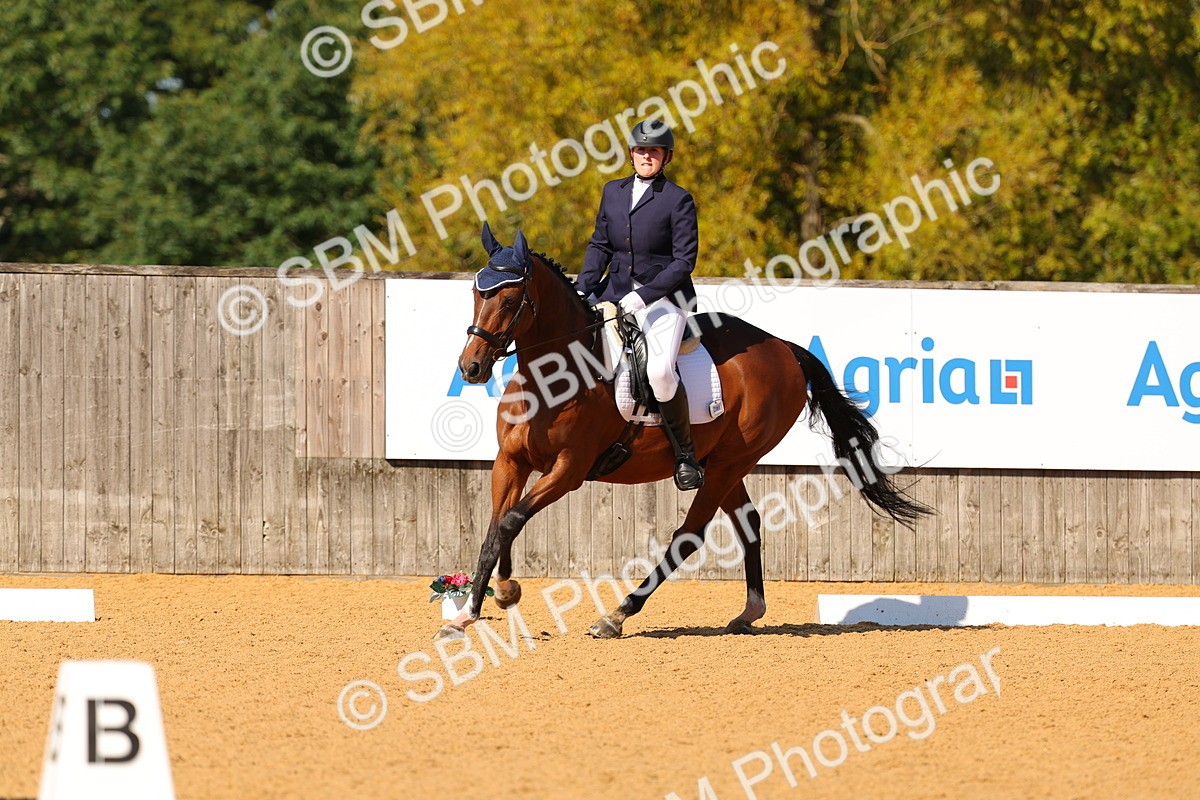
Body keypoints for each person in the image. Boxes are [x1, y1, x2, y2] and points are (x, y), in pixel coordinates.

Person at [575, 119, 703, 491]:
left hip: (663, 298)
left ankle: (685, 455)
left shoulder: (678, 199)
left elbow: (684, 262)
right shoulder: (612, 191)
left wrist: (643, 295)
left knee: (660, 371)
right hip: (612, 291)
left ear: (666, 157)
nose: (647, 156)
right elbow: (600, 245)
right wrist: (582, 289)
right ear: (631, 154)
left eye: (654, 151)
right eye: (641, 150)